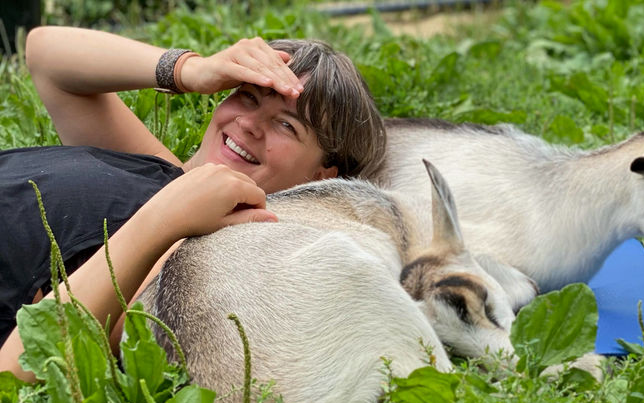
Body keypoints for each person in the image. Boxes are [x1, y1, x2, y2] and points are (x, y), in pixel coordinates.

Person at [0, 26, 386, 381]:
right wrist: (189, 70)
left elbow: (17, 369)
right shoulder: (161, 171)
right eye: (248, 96)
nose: (250, 124)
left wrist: (166, 220)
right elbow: (45, 55)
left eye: (287, 124)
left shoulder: (187, 264)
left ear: (323, 178)